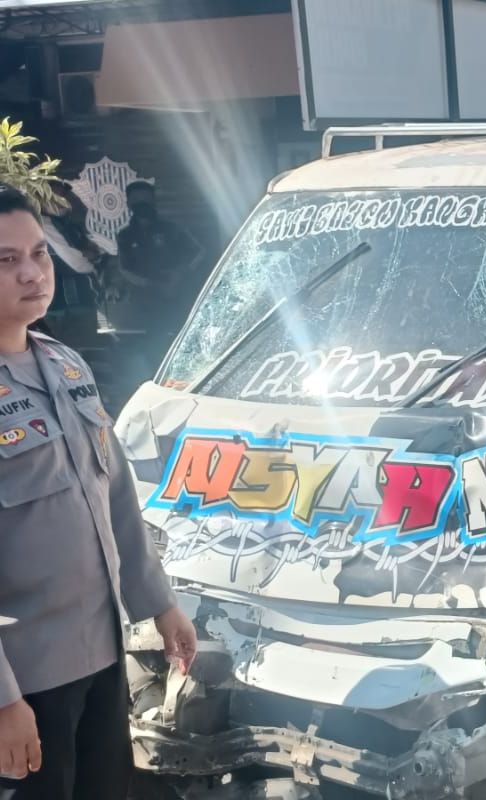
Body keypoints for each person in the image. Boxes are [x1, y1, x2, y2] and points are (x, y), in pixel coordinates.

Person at [0, 184, 198, 800]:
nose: (33, 274)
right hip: (24, 678)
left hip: (100, 653)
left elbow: (114, 497)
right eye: (6, 261)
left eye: (40, 254)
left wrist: (159, 601)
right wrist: (4, 703)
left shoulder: (66, 367)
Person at [115, 180, 202, 363]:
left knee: (184, 342)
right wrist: (150, 284)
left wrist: (180, 274)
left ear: (153, 201)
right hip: (147, 302)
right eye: (136, 201)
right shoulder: (126, 235)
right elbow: (124, 269)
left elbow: (199, 252)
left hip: (177, 296)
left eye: (145, 200)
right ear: (129, 204)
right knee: (153, 349)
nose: (142, 205)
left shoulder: (171, 228)